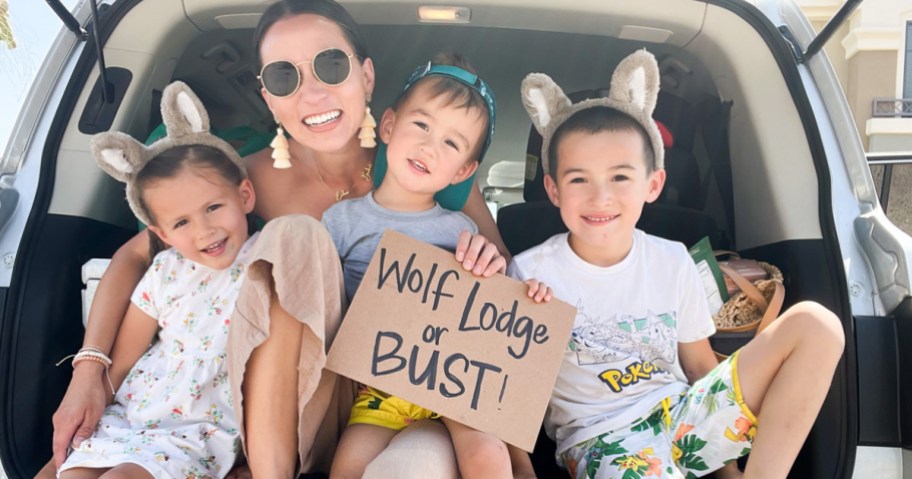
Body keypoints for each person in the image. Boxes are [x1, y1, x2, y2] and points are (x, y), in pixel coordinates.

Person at [45, 1, 528, 478]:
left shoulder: (424, 159)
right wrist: (89, 373)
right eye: (283, 76)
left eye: (330, 65)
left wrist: (483, 257)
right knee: (297, 236)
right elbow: (137, 257)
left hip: (402, 385)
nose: (312, 93)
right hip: (303, 394)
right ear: (268, 96)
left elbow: (504, 290)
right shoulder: (238, 181)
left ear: (366, 75)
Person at [509, 50, 845, 479]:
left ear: (653, 184)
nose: (600, 197)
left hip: (682, 414)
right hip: (600, 440)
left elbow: (699, 368)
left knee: (818, 324)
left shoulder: (672, 260)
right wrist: (520, 470)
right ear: (553, 190)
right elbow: (511, 392)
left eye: (619, 177)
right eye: (579, 179)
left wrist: (728, 472)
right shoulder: (530, 273)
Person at [326, 53, 551, 479]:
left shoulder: (461, 228)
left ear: (462, 171)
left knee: (488, 457)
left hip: (458, 384)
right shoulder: (341, 221)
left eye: (451, 143)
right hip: (380, 384)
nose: (430, 146)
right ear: (389, 127)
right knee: (347, 467)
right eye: (422, 125)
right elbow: (322, 302)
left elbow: (500, 314)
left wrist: (510, 282)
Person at [57, 82, 256, 478]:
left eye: (214, 207)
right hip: (131, 416)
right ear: (162, 234)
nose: (204, 231)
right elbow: (124, 360)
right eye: (181, 222)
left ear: (246, 196)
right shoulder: (164, 271)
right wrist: (89, 412)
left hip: (197, 430)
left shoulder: (270, 258)